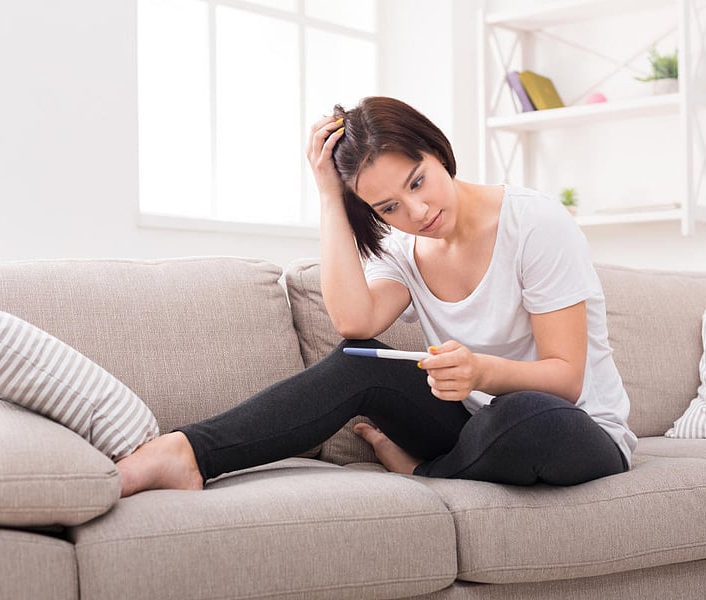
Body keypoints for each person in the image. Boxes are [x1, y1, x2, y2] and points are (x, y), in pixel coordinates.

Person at [117, 96, 636, 497]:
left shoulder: (535, 223)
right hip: (471, 428)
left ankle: (421, 470)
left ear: (437, 150)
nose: (417, 211)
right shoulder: (402, 247)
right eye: (389, 207)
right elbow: (353, 321)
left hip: (572, 428)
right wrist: (328, 195)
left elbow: (565, 380)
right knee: (358, 360)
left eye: (419, 181)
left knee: (525, 415)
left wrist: (481, 372)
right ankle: (188, 452)